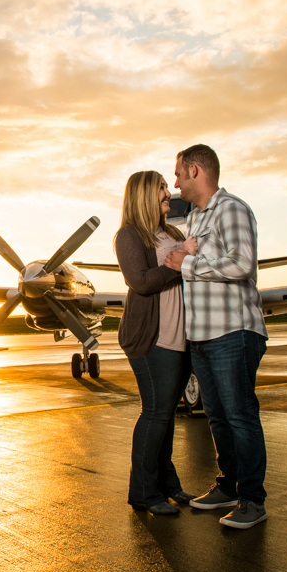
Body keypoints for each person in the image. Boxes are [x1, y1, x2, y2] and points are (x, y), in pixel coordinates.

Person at [165, 144, 270, 529]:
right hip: (202, 336)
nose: (175, 182)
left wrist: (187, 263)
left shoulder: (232, 209)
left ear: (195, 171)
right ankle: (228, 486)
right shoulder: (192, 220)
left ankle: (253, 501)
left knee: (240, 416)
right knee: (217, 418)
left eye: (177, 174)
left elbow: (242, 263)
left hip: (233, 331)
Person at [114, 170, 198, 516]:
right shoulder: (129, 235)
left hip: (181, 338)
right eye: (162, 187)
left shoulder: (173, 232)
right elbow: (141, 281)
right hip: (153, 339)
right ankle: (144, 493)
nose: (169, 192)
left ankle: (168, 484)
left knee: (166, 416)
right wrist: (180, 262)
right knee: (155, 414)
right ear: (146, 194)